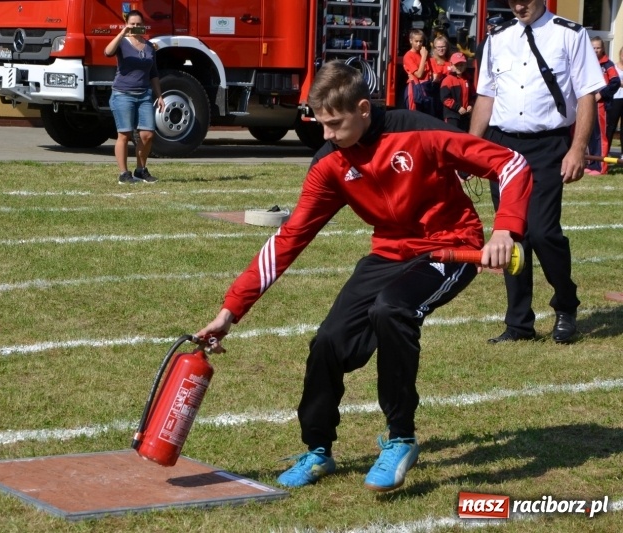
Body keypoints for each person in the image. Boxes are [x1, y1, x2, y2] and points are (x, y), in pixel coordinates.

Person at [195, 61, 532, 492]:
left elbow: (512, 164)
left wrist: (506, 227)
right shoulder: (329, 164)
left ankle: (401, 438)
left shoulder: (420, 131)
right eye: (320, 124)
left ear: (363, 109)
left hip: (450, 247)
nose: (327, 134)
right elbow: (288, 239)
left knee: (392, 309)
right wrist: (230, 311)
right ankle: (318, 450)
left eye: (335, 124)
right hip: (389, 252)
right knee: (328, 343)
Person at [469, 0, 606, 345]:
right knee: (511, 235)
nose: (517, 5)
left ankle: (565, 303)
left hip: (548, 145)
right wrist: (470, 150)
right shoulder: (497, 38)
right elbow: (486, 95)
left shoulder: (570, 34)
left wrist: (577, 149)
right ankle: (519, 324)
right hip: (503, 145)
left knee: (543, 232)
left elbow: (587, 93)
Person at [103, 10, 165, 184]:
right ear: (127, 24)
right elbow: (107, 52)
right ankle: (124, 174)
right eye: (133, 24)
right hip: (123, 94)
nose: (136, 27)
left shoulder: (149, 47)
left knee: (147, 135)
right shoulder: (122, 43)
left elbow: (154, 74)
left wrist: (159, 96)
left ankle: (140, 170)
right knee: (124, 134)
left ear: (144, 26)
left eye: (139, 24)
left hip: (144, 95)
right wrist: (122, 33)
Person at [586, 38, 621, 175]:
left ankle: (601, 167)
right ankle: (592, 163)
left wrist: (602, 94)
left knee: (601, 136)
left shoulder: (607, 64)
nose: (595, 50)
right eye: (593, 48)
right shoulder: (587, 62)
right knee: (590, 135)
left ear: (603, 49)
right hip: (588, 104)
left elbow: (615, 82)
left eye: (598, 48)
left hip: (602, 106)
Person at [403, 29, 434, 115]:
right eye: (416, 41)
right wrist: (424, 57)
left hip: (426, 88)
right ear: (411, 41)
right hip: (415, 89)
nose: (419, 44)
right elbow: (419, 74)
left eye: (421, 41)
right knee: (414, 115)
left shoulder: (423, 53)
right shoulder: (408, 56)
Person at [440, 52, 474, 131]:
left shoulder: (468, 79)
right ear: (451, 65)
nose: (459, 67)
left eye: (461, 65)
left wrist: (470, 105)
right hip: (452, 115)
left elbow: (472, 95)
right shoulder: (447, 80)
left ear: (465, 65)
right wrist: (457, 107)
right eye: (457, 65)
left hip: (465, 114)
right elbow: (445, 99)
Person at [605, 46, 623, 157]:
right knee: (611, 126)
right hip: (615, 99)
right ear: (620, 55)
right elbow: (612, 82)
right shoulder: (614, 67)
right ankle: (605, 152)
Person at [428, 35, 452, 119]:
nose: (441, 49)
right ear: (434, 48)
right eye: (438, 47)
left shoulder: (451, 61)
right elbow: (434, 78)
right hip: (435, 93)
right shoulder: (430, 61)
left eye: (443, 47)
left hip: (448, 93)